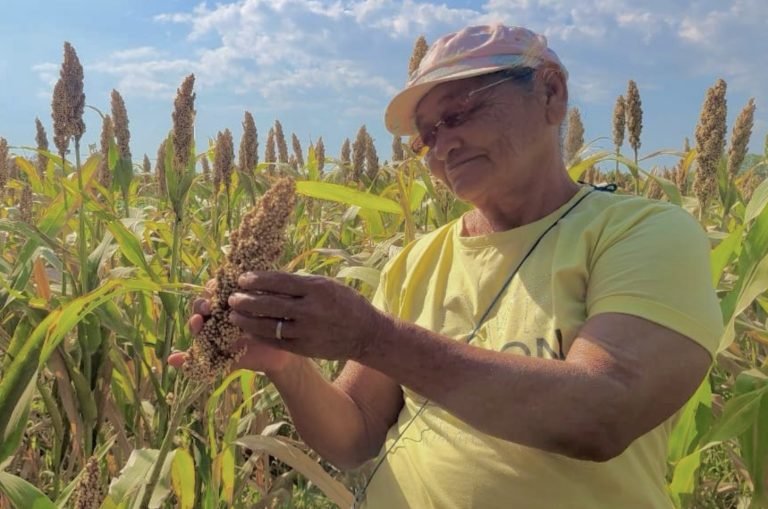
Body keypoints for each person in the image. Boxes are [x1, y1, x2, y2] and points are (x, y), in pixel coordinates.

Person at [170, 23, 723, 509]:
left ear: (551, 94)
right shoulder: (415, 263)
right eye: (425, 137)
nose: (442, 147)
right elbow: (356, 433)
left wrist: (372, 337)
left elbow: (603, 412)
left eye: (458, 114)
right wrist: (286, 367)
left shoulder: (640, 233)